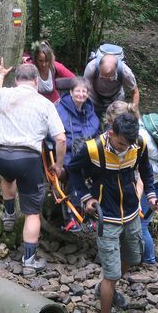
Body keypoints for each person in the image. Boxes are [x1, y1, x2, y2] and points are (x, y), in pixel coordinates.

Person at [67, 112, 158, 313]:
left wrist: (150, 193)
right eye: (120, 143)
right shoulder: (93, 149)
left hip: (130, 210)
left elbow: (145, 169)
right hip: (106, 215)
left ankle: (108, 288)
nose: (124, 148)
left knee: (133, 256)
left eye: (128, 143)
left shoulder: (138, 144)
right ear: (111, 133)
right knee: (111, 273)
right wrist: (85, 197)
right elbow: (73, 171)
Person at [0, 59, 66, 277]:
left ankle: (9, 213)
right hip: (28, 158)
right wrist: (58, 165)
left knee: (8, 177)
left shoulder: (4, 93)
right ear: (36, 81)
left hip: (1, 155)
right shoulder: (45, 104)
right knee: (32, 212)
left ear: (16, 80)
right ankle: (29, 261)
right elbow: (61, 140)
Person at [105, 101, 158, 265]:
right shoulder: (131, 131)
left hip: (154, 182)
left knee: (140, 224)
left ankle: (150, 263)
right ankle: (131, 259)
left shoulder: (139, 138)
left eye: (113, 124)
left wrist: (138, 199)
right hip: (147, 179)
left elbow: (142, 173)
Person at [55, 76, 100, 231]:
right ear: (71, 92)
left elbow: (95, 126)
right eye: (78, 91)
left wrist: (84, 139)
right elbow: (53, 134)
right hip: (68, 154)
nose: (81, 95)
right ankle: (71, 215)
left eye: (84, 91)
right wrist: (71, 143)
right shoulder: (59, 109)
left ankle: (93, 212)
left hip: (87, 152)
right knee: (76, 170)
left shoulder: (89, 109)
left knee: (101, 172)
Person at [83, 53, 140, 118]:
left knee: (116, 123)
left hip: (115, 98)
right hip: (94, 96)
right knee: (93, 121)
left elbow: (135, 92)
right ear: (99, 67)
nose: (106, 80)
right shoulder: (91, 67)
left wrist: (134, 112)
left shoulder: (125, 72)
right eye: (103, 76)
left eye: (110, 77)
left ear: (116, 69)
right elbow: (84, 87)